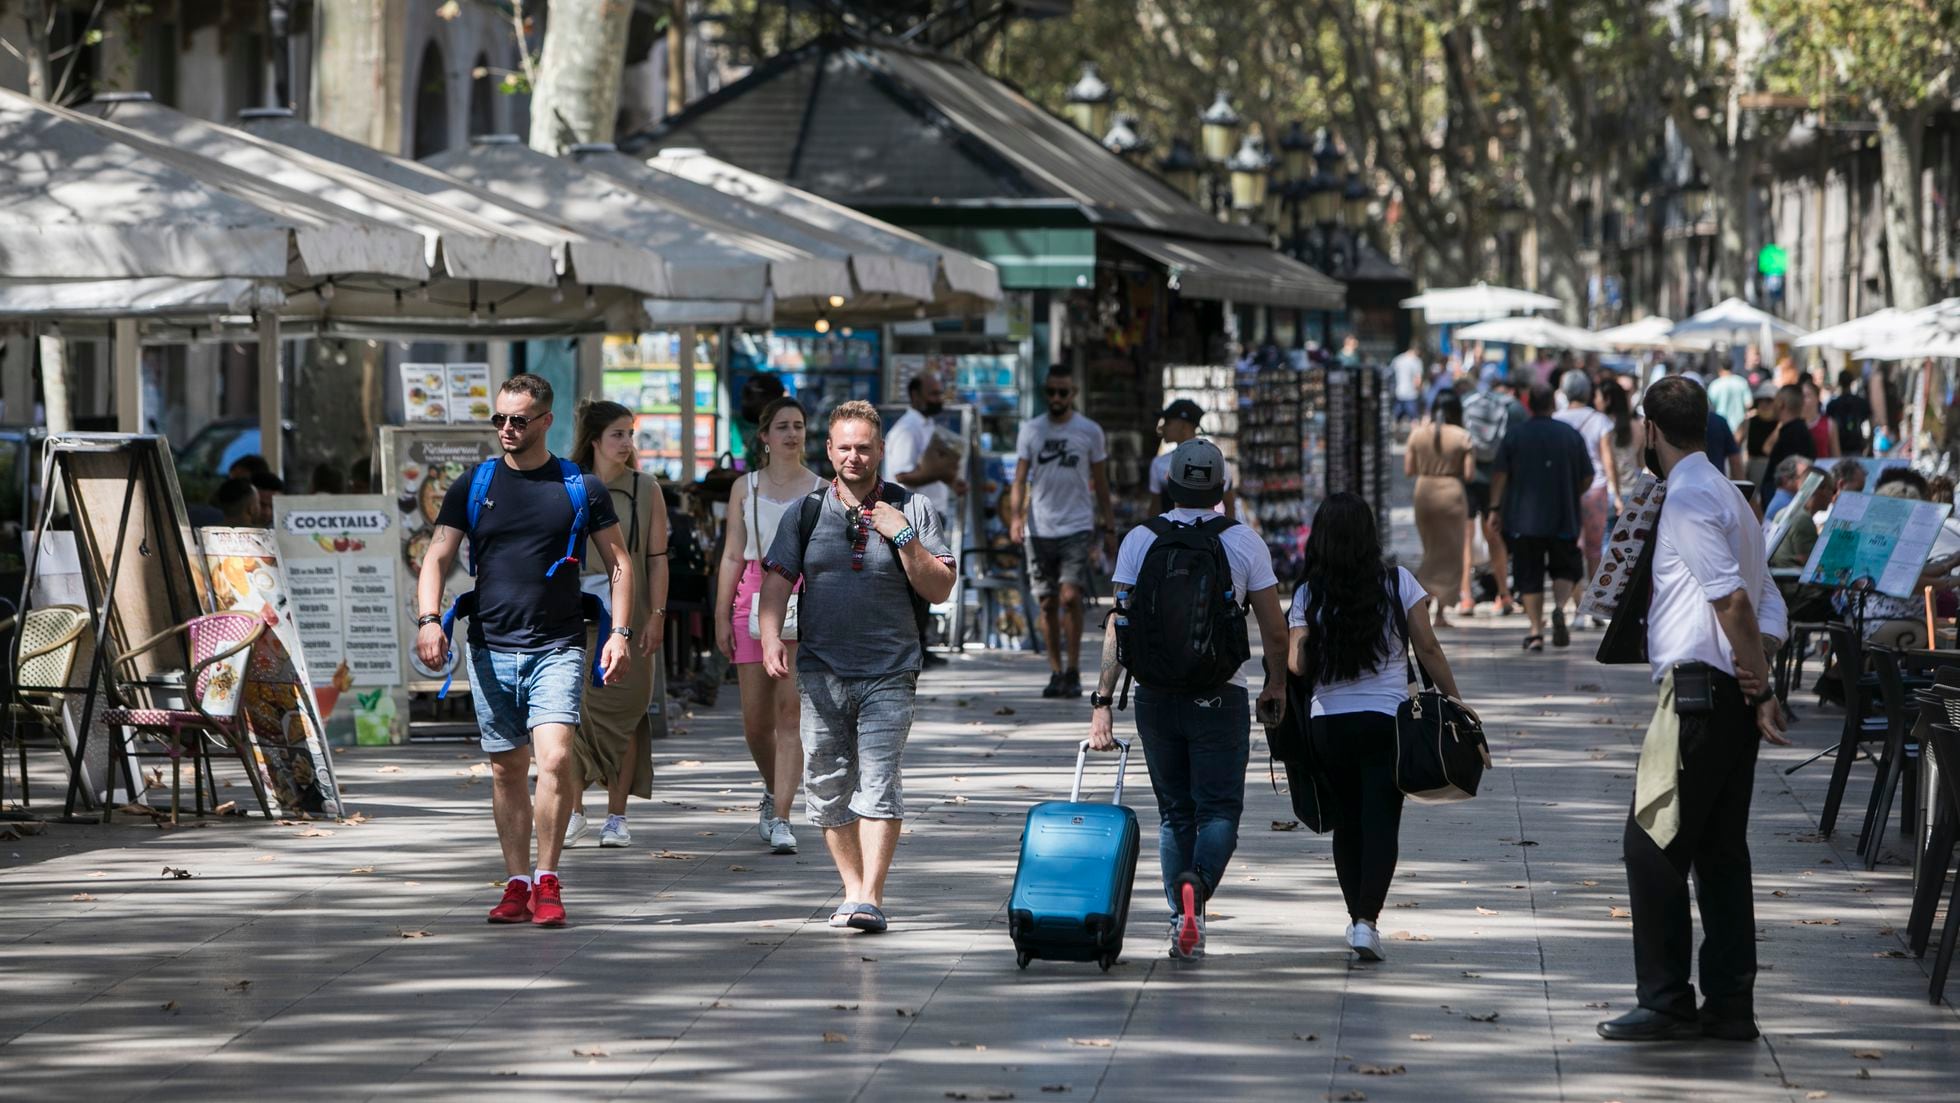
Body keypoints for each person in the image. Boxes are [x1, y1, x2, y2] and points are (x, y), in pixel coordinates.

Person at [1598, 376, 1788, 1043]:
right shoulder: (1732, 498)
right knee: (1719, 851)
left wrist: (1759, 685)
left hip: (1700, 696)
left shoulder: (1685, 498)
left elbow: (1732, 600)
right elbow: (1770, 604)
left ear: (1649, 429)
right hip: (1726, 694)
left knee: (1649, 842)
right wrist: (1758, 679)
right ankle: (1731, 1002)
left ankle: (1667, 998)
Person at [415, 373, 634, 929]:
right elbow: (438, 556)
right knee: (506, 768)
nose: (506, 429)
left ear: (545, 421)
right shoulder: (474, 483)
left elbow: (620, 563)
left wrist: (620, 633)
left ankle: (548, 877)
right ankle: (516, 881)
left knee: (556, 758)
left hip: (557, 644)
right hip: (490, 645)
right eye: (499, 420)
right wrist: (428, 620)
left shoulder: (579, 485)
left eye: (518, 420)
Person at [758, 401, 956, 934]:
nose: (853, 456)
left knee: (878, 780)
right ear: (828, 450)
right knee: (825, 784)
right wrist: (772, 636)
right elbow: (775, 582)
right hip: (822, 669)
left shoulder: (912, 509)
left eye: (864, 446)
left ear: (880, 450)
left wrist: (903, 537)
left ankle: (870, 895)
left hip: (890, 670)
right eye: (844, 446)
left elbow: (940, 588)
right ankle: (850, 886)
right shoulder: (805, 511)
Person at [1088, 439, 1286, 960]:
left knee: (1175, 812)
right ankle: (1195, 887)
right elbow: (1276, 630)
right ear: (1221, 488)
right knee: (1218, 810)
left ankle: (1180, 915)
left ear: (1170, 484)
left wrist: (1102, 700)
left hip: (1155, 697)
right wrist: (1276, 686)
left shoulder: (1139, 540)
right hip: (1219, 695)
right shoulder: (1245, 543)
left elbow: (1118, 626)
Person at [1288, 492, 1468, 961]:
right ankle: (1368, 921)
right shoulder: (1398, 582)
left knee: (1347, 823)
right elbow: (1427, 648)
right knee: (1382, 821)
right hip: (1387, 723)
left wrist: (1310, 636)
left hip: (1329, 724)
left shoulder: (1309, 593)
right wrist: (1455, 700)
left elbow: (1296, 664)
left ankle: (1355, 920)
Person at [717, 398, 825, 854]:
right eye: (782, 426)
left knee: (789, 715)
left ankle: (782, 814)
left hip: (804, 602)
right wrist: (721, 613)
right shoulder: (747, 487)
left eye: (798, 426)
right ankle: (772, 788)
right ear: (764, 436)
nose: (791, 434)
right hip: (752, 600)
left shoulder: (823, 488)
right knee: (755, 723)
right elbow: (730, 554)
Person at [563, 400, 669, 851]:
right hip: (569, 617)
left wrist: (657, 616)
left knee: (626, 715)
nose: (627, 444)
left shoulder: (645, 489)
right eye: (617, 435)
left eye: (631, 434)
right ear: (594, 441)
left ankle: (616, 815)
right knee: (566, 716)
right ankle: (572, 811)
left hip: (629, 618)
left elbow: (658, 560)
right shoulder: (565, 482)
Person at [1009, 372, 1113, 699]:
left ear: (1073, 392)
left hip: (1076, 524)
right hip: (1039, 528)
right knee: (1047, 602)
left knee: (1070, 596)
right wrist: (1016, 517)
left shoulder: (1089, 431)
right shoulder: (1031, 430)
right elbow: (1020, 478)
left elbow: (1101, 481)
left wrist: (1108, 525)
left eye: (1062, 392)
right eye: (1051, 391)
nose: (1056, 398)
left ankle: (1074, 669)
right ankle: (1056, 671)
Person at [1489, 383, 1592, 651]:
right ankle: (1558, 607)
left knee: (1529, 575)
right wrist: (1571, 492)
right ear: (1552, 404)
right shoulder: (1570, 435)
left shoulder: (1515, 435)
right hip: (1563, 515)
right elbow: (1587, 477)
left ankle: (1535, 631)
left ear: (1529, 404)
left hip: (1524, 520)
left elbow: (1500, 474)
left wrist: (1494, 508)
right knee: (1566, 568)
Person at [885, 371, 966, 670]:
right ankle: (914, 647)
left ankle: (922, 644)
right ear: (915, 395)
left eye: (939, 392)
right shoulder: (907, 430)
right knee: (915, 585)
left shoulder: (927, 426)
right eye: (932, 393)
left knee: (928, 584)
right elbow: (901, 476)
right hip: (910, 518)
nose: (938, 399)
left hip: (928, 516)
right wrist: (943, 475)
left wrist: (950, 479)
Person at [1404, 393, 1474, 628]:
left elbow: (1408, 469)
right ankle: (1439, 611)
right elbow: (1469, 474)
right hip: (1451, 494)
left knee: (1430, 550)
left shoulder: (1417, 434)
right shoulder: (1462, 436)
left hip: (1424, 492)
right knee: (1450, 554)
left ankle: (1423, 598)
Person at [1462, 375, 1529, 617]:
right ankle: (1504, 595)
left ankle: (1466, 596)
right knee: (1495, 537)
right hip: (1497, 482)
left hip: (1468, 479)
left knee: (1466, 538)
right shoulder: (1513, 408)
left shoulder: (1466, 402)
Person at [1554, 373, 1617, 593]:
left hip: (1565, 490)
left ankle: (1577, 599)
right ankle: (1595, 598)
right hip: (1595, 488)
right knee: (1594, 548)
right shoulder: (1600, 420)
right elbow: (1608, 459)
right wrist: (1615, 492)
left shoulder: (1556, 419)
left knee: (1572, 547)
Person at [1149, 399, 1237, 518]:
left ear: (1184, 426)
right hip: (1171, 535)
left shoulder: (1216, 463)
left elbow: (1230, 506)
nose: (1161, 428)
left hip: (1204, 533)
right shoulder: (1158, 464)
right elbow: (1155, 509)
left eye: (1167, 422)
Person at [1758, 384, 1815, 509]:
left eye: (1775, 401)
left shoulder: (1793, 435)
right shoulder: (1795, 432)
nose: (1772, 405)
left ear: (1781, 404)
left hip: (1785, 510)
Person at [1598, 376, 1642, 525]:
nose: (1595, 400)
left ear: (1608, 399)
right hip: (1632, 490)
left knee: (1605, 541)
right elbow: (1641, 463)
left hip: (1608, 491)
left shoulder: (1601, 426)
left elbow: (1606, 461)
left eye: (1597, 396)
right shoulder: (1636, 426)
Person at [1826, 369, 1871, 456]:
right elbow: (1870, 423)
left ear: (1839, 382)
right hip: (1857, 445)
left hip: (1839, 446)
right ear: (1852, 382)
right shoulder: (1860, 402)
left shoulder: (1832, 405)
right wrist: (1869, 444)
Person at [1742, 385, 1779, 489]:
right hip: (1754, 468)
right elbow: (1736, 441)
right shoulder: (1750, 421)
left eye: (1768, 400)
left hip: (1775, 469)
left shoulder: (1781, 423)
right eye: (1761, 400)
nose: (1764, 404)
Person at [1706, 357, 1753, 435]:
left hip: (1720, 425)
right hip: (1739, 427)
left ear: (1720, 369)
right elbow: (1749, 403)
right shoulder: (1742, 382)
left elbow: (1709, 405)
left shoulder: (1715, 385)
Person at [1761, 455, 1813, 525]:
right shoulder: (1784, 504)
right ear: (1785, 480)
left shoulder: (1788, 499)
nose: (1809, 482)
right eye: (1804, 477)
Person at [1801, 376, 1839, 461]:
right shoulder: (1793, 423)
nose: (1803, 400)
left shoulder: (1829, 423)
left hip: (1821, 471)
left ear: (1817, 398)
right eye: (1801, 396)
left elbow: (1836, 456)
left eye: (1807, 396)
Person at [1389, 343, 1425, 426]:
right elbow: (1418, 381)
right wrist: (1421, 392)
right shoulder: (1416, 361)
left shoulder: (1397, 359)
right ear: (1418, 351)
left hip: (1398, 393)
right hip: (1411, 395)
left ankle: (1394, 438)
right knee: (1414, 420)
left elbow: (1390, 375)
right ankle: (1415, 439)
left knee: (1395, 419)